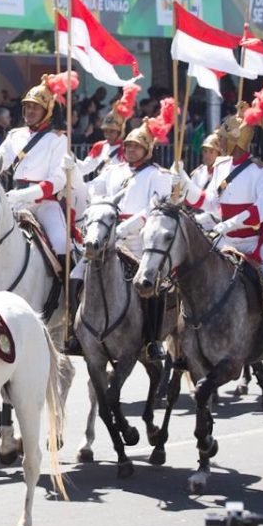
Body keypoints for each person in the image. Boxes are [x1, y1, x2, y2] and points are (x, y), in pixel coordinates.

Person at [173, 89, 263, 366]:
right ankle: (189, 342)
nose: (221, 142)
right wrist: (185, 183)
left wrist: (232, 222)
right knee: (192, 276)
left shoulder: (261, 170)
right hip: (224, 241)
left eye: (225, 138)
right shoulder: (220, 167)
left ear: (239, 141)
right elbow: (209, 201)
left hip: (252, 240)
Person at [82, 104, 175, 360]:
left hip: (139, 239)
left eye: (136, 146)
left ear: (147, 150)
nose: (130, 150)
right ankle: (78, 328)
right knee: (79, 271)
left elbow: (153, 209)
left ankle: (153, 339)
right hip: (108, 235)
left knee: (151, 283)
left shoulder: (158, 175)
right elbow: (93, 187)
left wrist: (126, 227)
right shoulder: (114, 170)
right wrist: (75, 175)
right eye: (129, 146)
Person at [0, 73, 71, 272]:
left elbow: (58, 180)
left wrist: (26, 195)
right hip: (13, 201)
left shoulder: (58, 139)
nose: (30, 111)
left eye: (36, 107)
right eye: (27, 106)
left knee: (62, 243)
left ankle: (71, 295)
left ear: (47, 111)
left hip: (45, 204)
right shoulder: (14, 135)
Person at [76, 85, 138, 182]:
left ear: (120, 131)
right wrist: (73, 161)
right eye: (105, 131)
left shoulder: (127, 149)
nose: (108, 134)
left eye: (112, 131)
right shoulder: (99, 146)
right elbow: (85, 168)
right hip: (100, 188)